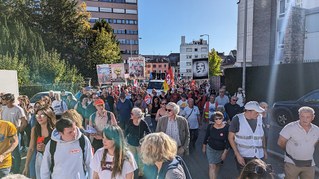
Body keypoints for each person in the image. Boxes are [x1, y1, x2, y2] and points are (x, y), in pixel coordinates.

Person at [277, 106, 319, 179]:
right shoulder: (290, 127)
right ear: (299, 116)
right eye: (302, 116)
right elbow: (281, 142)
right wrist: (290, 152)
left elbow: (315, 143)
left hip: (309, 164)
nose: (304, 119)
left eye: (307, 117)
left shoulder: (316, 129)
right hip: (291, 163)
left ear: (313, 117)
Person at [228, 101, 267, 172]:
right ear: (249, 111)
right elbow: (230, 138)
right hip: (244, 156)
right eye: (256, 112)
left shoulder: (260, 118)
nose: (258, 114)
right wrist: (237, 155)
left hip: (259, 155)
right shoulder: (237, 119)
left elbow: (262, 135)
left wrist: (264, 149)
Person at [23, 107, 56, 179]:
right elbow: (31, 148)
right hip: (40, 157)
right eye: (37, 115)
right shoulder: (35, 129)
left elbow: (59, 148)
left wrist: (46, 149)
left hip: (53, 158)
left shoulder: (55, 130)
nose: (39, 117)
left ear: (48, 116)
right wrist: (26, 166)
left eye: (42, 115)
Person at [1, 93, 27, 174]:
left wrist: (19, 131)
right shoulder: (3, 108)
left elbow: (24, 122)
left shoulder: (18, 109)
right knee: (6, 152)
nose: (2, 100)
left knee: (15, 153)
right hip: (4, 134)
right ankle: (9, 168)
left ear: (8, 100)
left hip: (13, 134)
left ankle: (16, 172)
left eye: (3, 99)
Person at [202, 111, 230, 179]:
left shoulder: (227, 128)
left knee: (217, 165)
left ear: (222, 118)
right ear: (214, 120)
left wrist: (225, 153)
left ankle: (214, 176)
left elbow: (228, 142)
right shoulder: (210, 126)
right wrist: (204, 146)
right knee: (212, 166)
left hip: (221, 150)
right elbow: (206, 137)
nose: (218, 120)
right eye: (216, 119)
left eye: (220, 118)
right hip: (210, 148)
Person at [125, 108, 151, 178]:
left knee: (141, 159)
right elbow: (126, 131)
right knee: (130, 158)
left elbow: (149, 133)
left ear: (136, 116)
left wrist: (145, 140)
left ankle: (141, 172)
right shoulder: (130, 121)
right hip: (131, 143)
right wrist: (123, 140)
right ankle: (131, 172)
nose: (130, 115)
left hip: (140, 145)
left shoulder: (143, 123)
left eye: (132, 114)